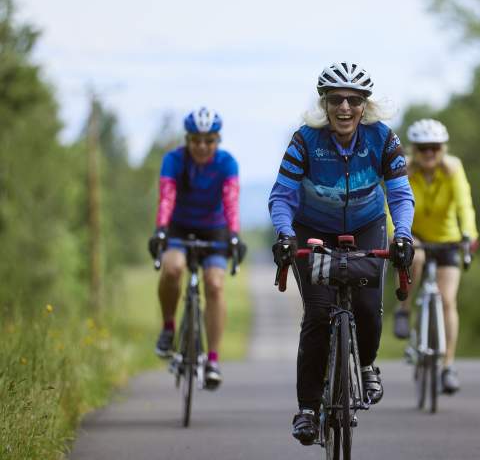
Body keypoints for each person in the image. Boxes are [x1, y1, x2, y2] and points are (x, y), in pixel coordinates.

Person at [269, 62, 415, 445]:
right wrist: (285, 235)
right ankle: (306, 410)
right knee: (318, 313)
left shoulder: (382, 139)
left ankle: (366, 365)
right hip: (313, 229)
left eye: (353, 99)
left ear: (365, 105)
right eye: (336, 99)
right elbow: (282, 195)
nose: (345, 107)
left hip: (367, 225)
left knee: (367, 308)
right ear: (325, 104)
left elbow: (399, 194)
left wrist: (403, 234)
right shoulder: (305, 141)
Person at [148, 106, 246, 390]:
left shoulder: (227, 163)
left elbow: (231, 201)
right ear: (187, 139)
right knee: (172, 268)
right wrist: (161, 229)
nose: (202, 146)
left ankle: (212, 359)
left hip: (215, 229)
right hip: (179, 227)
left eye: (209, 140)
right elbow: (166, 196)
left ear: (218, 140)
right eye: (196, 140)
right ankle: (168, 327)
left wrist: (235, 235)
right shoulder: (174, 160)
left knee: (214, 285)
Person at [392, 118, 478, 394]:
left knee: (447, 301)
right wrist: (398, 233)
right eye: (423, 148)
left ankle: (448, 366)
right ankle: (404, 309)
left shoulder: (453, 169)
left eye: (435, 148)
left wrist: (469, 235)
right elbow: (390, 202)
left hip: (448, 240)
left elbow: (464, 204)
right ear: (414, 149)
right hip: (414, 236)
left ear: (443, 148)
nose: (429, 153)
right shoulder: (402, 168)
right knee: (413, 258)